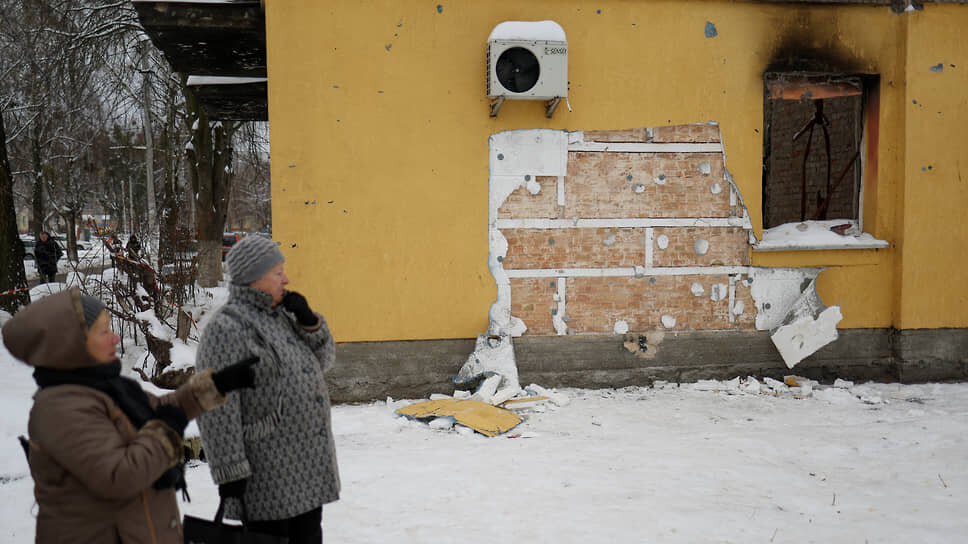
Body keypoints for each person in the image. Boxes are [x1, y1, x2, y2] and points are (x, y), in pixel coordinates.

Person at [1, 287, 259, 543]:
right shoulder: (61, 410)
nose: (115, 338)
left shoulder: (107, 388)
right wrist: (166, 430)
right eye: (103, 332)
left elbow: (161, 409)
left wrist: (216, 385)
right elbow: (119, 476)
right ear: (71, 345)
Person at [196, 235, 339, 543]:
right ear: (252, 278)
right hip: (267, 474)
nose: (286, 279)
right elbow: (217, 408)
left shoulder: (284, 315)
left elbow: (324, 361)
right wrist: (230, 471)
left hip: (307, 469)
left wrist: (309, 321)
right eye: (277, 273)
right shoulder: (225, 329)